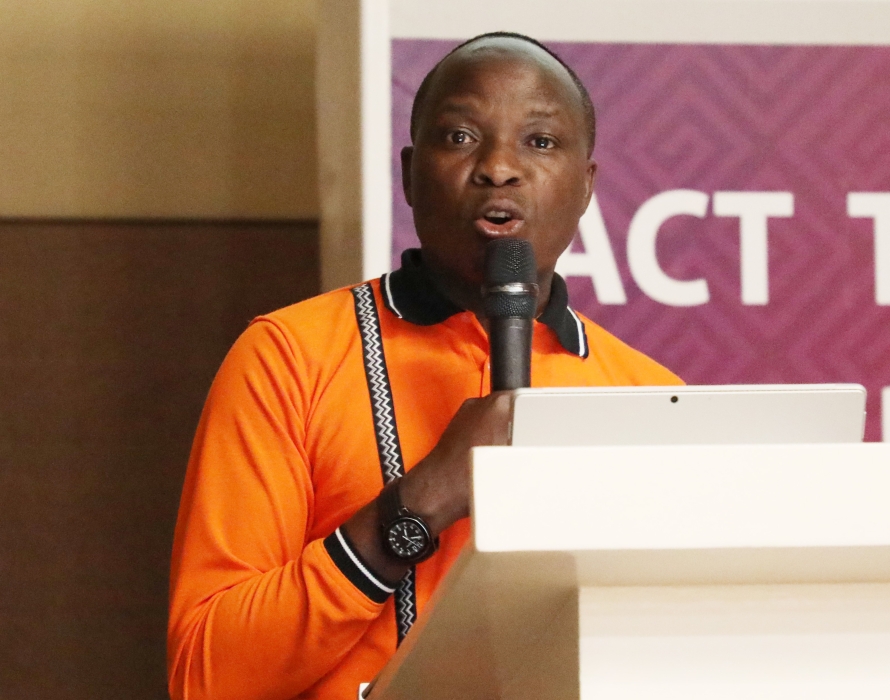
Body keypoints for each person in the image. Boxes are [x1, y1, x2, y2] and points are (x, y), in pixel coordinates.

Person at [167, 32, 681, 700]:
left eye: (541, 142)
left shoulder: (649, 397)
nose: (499, 168)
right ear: (409, 173)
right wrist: (419, 504)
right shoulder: (289, 357)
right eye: (462, 136)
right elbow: (205, 677)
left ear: (586, 186)